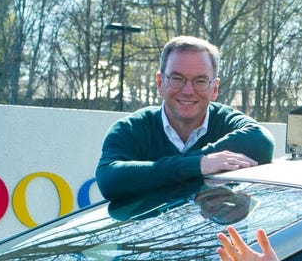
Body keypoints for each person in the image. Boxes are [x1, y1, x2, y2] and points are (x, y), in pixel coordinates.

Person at [95, 36, 274, 201]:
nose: (188, 91)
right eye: (177, 79)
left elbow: (261, 142)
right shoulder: (132, 129)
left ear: (215, 88)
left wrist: (171, 170)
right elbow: (109, 178)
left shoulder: (226, 122)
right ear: (160, 83)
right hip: (150, 236)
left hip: (221, 235)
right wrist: (199, 164)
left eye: (200, 81)